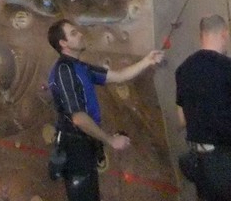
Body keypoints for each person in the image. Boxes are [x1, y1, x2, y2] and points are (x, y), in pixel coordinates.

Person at [47, 18, 164, 201]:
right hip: (75, 146)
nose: (80, 34)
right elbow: (78, 117)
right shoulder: (64, 70)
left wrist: (147, 60)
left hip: (87, 143)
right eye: (73, 33)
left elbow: (118, 76)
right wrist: (110, 140)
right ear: (64, 44)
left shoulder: (81, 67)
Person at [175, 14, 231, 200]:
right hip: (223, 160)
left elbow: (182, 119)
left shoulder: (183, 70)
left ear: (201, 36)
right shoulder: (227, 68)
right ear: (224, 34)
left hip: (196, 161)